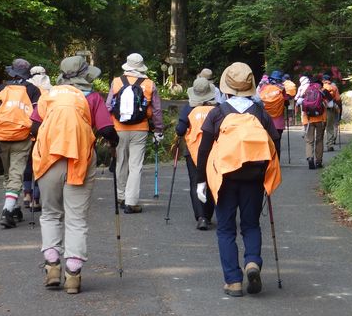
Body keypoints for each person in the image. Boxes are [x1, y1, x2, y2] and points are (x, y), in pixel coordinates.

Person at [31, 55, 118, 294]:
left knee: (50, 214)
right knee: (76, 219)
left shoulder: (49, 95)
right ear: (85, 75)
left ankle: (52, 267)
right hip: (79, 161)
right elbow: (108, 130)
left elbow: (34, 127)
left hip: (48, 161)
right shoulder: (92, 98)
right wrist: (112, 144)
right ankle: (73, 274)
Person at [195, 62, 281, 297]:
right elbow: (274, 142)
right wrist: (269, 174)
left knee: (225, 228)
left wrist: (201, 180)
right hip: (254, 176)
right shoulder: (260, 113)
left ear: (226, 87)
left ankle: (233, 281)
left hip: (225, 177)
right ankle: (252, 262)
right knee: (251, 224)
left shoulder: (218, 113)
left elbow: (203, 150)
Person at [106, 53, 164, 214]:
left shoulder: (117, 82)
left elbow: (108, 106)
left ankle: (121, 197)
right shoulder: (149, 84)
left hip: (118, 129)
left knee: (121, 162)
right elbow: (157, 110)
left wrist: (107, 127)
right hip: (140, 129)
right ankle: (132, 202)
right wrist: (159, 130)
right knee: (135, 165)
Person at [0, 58, 41, 228]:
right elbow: (37, 115)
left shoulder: (2, 88)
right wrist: (35, 134)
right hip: (22, 136)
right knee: (17, 173)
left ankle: (15, 207)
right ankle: (7, 211)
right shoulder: (32, 89)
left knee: (9, 174)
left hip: (1, 136)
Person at [175, 77, 217, 230]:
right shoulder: (217, 109)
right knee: (212, 182)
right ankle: (208, 214)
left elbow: (180, 130)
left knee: (196, 183)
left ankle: (201, 217)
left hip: (193, 152)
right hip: (214, 152)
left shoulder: (188, 109)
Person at [23, 66, 52, 211]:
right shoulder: (49, 89)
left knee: (28, 163)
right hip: (43, 131)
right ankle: (36, 199)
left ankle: (27, 194)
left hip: (24, 130)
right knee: (40, 165)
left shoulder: (25, 88)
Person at [296, 74, 326, 169]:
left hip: (307, 119)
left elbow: (298, 102)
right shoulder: (322, 91)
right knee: (319, 140)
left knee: (309, 141)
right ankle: (318, 161)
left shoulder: (305, 89)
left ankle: (310, 158)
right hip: (320, 119)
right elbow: (330, 104)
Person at [257, 70, 288, 157]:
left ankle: (268, 161)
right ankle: (277, 161)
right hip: (279, 122)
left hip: (266, 120)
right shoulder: (282, 89)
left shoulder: (264, 88)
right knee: (277, 142)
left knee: (267, 141)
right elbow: (286, 101)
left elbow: (259, 101)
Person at [322, 74, 341, 151]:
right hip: (330, 109)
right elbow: (338, 99)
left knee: (321, 128)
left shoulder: (321, 87)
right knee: (330, 127)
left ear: (324, 80)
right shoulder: (334, 87)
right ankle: (329, 145)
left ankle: (320, 146)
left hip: (322, 110)